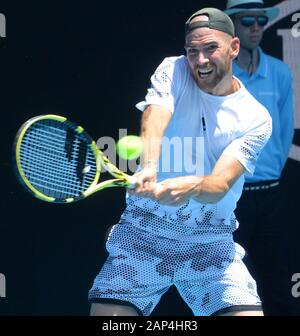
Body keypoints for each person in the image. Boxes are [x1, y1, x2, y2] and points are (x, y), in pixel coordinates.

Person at [88, 8, 272, 316]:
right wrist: (149, 164)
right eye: (192, 51)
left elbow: (219, 185)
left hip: (210, 242)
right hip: (142, 232)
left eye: (210, 48)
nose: (200, 61)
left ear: (234, 47)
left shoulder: (256, 119)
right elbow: (156, 113)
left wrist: (191, 186)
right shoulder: (173, 70)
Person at [224, 0, 295, 315]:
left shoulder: (279, 72)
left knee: (277, 281)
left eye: (261, 21)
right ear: (233, 27)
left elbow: (284, 131)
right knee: (222, 285)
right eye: (247, 20)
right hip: (229, 197)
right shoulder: (218, 73)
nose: (255, 27)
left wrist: (268, 171)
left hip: (271, 197)